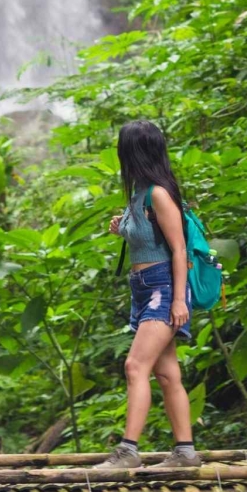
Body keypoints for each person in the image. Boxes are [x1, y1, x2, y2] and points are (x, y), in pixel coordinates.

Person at [94, 119, 200, 469]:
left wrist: (179, 299)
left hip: (162, 288)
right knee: (167, 373)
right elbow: (146, 238)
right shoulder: (139, 193)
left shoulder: (158, 193)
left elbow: (179, 249)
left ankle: (128, 452)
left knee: (135, 365)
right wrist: (121, 227)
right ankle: (185, 452)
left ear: (133, 153)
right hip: (143, 290)